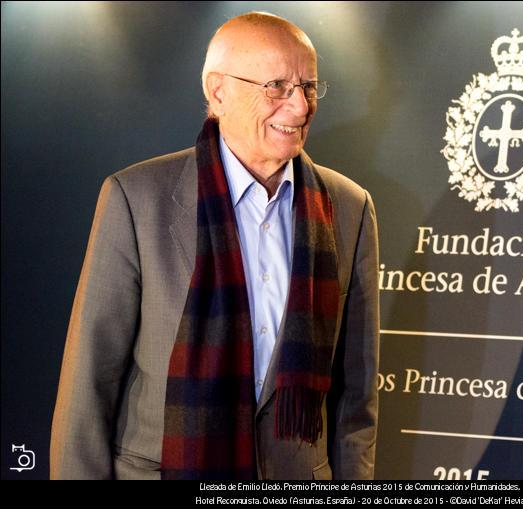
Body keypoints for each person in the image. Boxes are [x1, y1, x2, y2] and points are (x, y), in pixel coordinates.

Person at [50, 12, 379, 480]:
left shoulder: (350, 207)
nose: (301, 107)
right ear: (218, 91)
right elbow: (89, 382)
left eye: (308, 86)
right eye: (278, 87)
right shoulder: (137, 198)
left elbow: (356, 396)